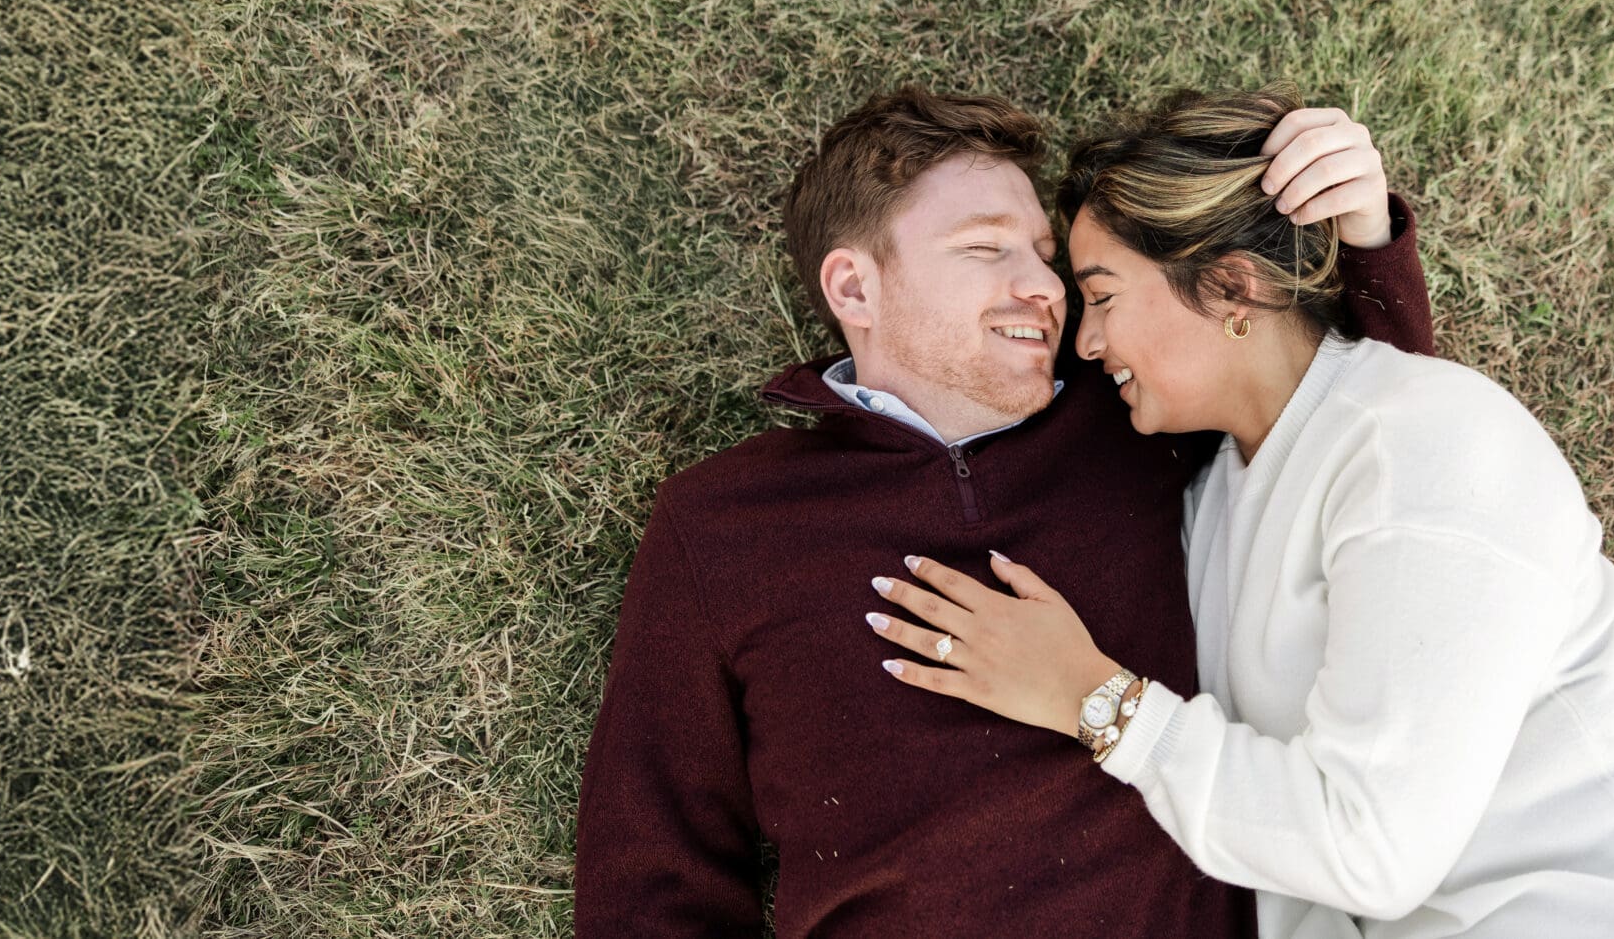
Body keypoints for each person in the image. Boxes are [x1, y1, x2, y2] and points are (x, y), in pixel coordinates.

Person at [867, 88, 1614, 939]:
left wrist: (1099, 702)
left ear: (1235, 288)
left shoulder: (1427, 445)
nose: (1087, 339)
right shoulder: (1212, 503)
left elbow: (1372, 851)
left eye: (1103, 297)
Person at [573, 85, 1436, 938]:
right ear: (855, 289)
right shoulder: (726, 522)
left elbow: (1365, 448)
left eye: (1046, 255)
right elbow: (652, 875)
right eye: (987, 250)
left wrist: (1362, 235)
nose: (1046, 289)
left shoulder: (1134, 419)